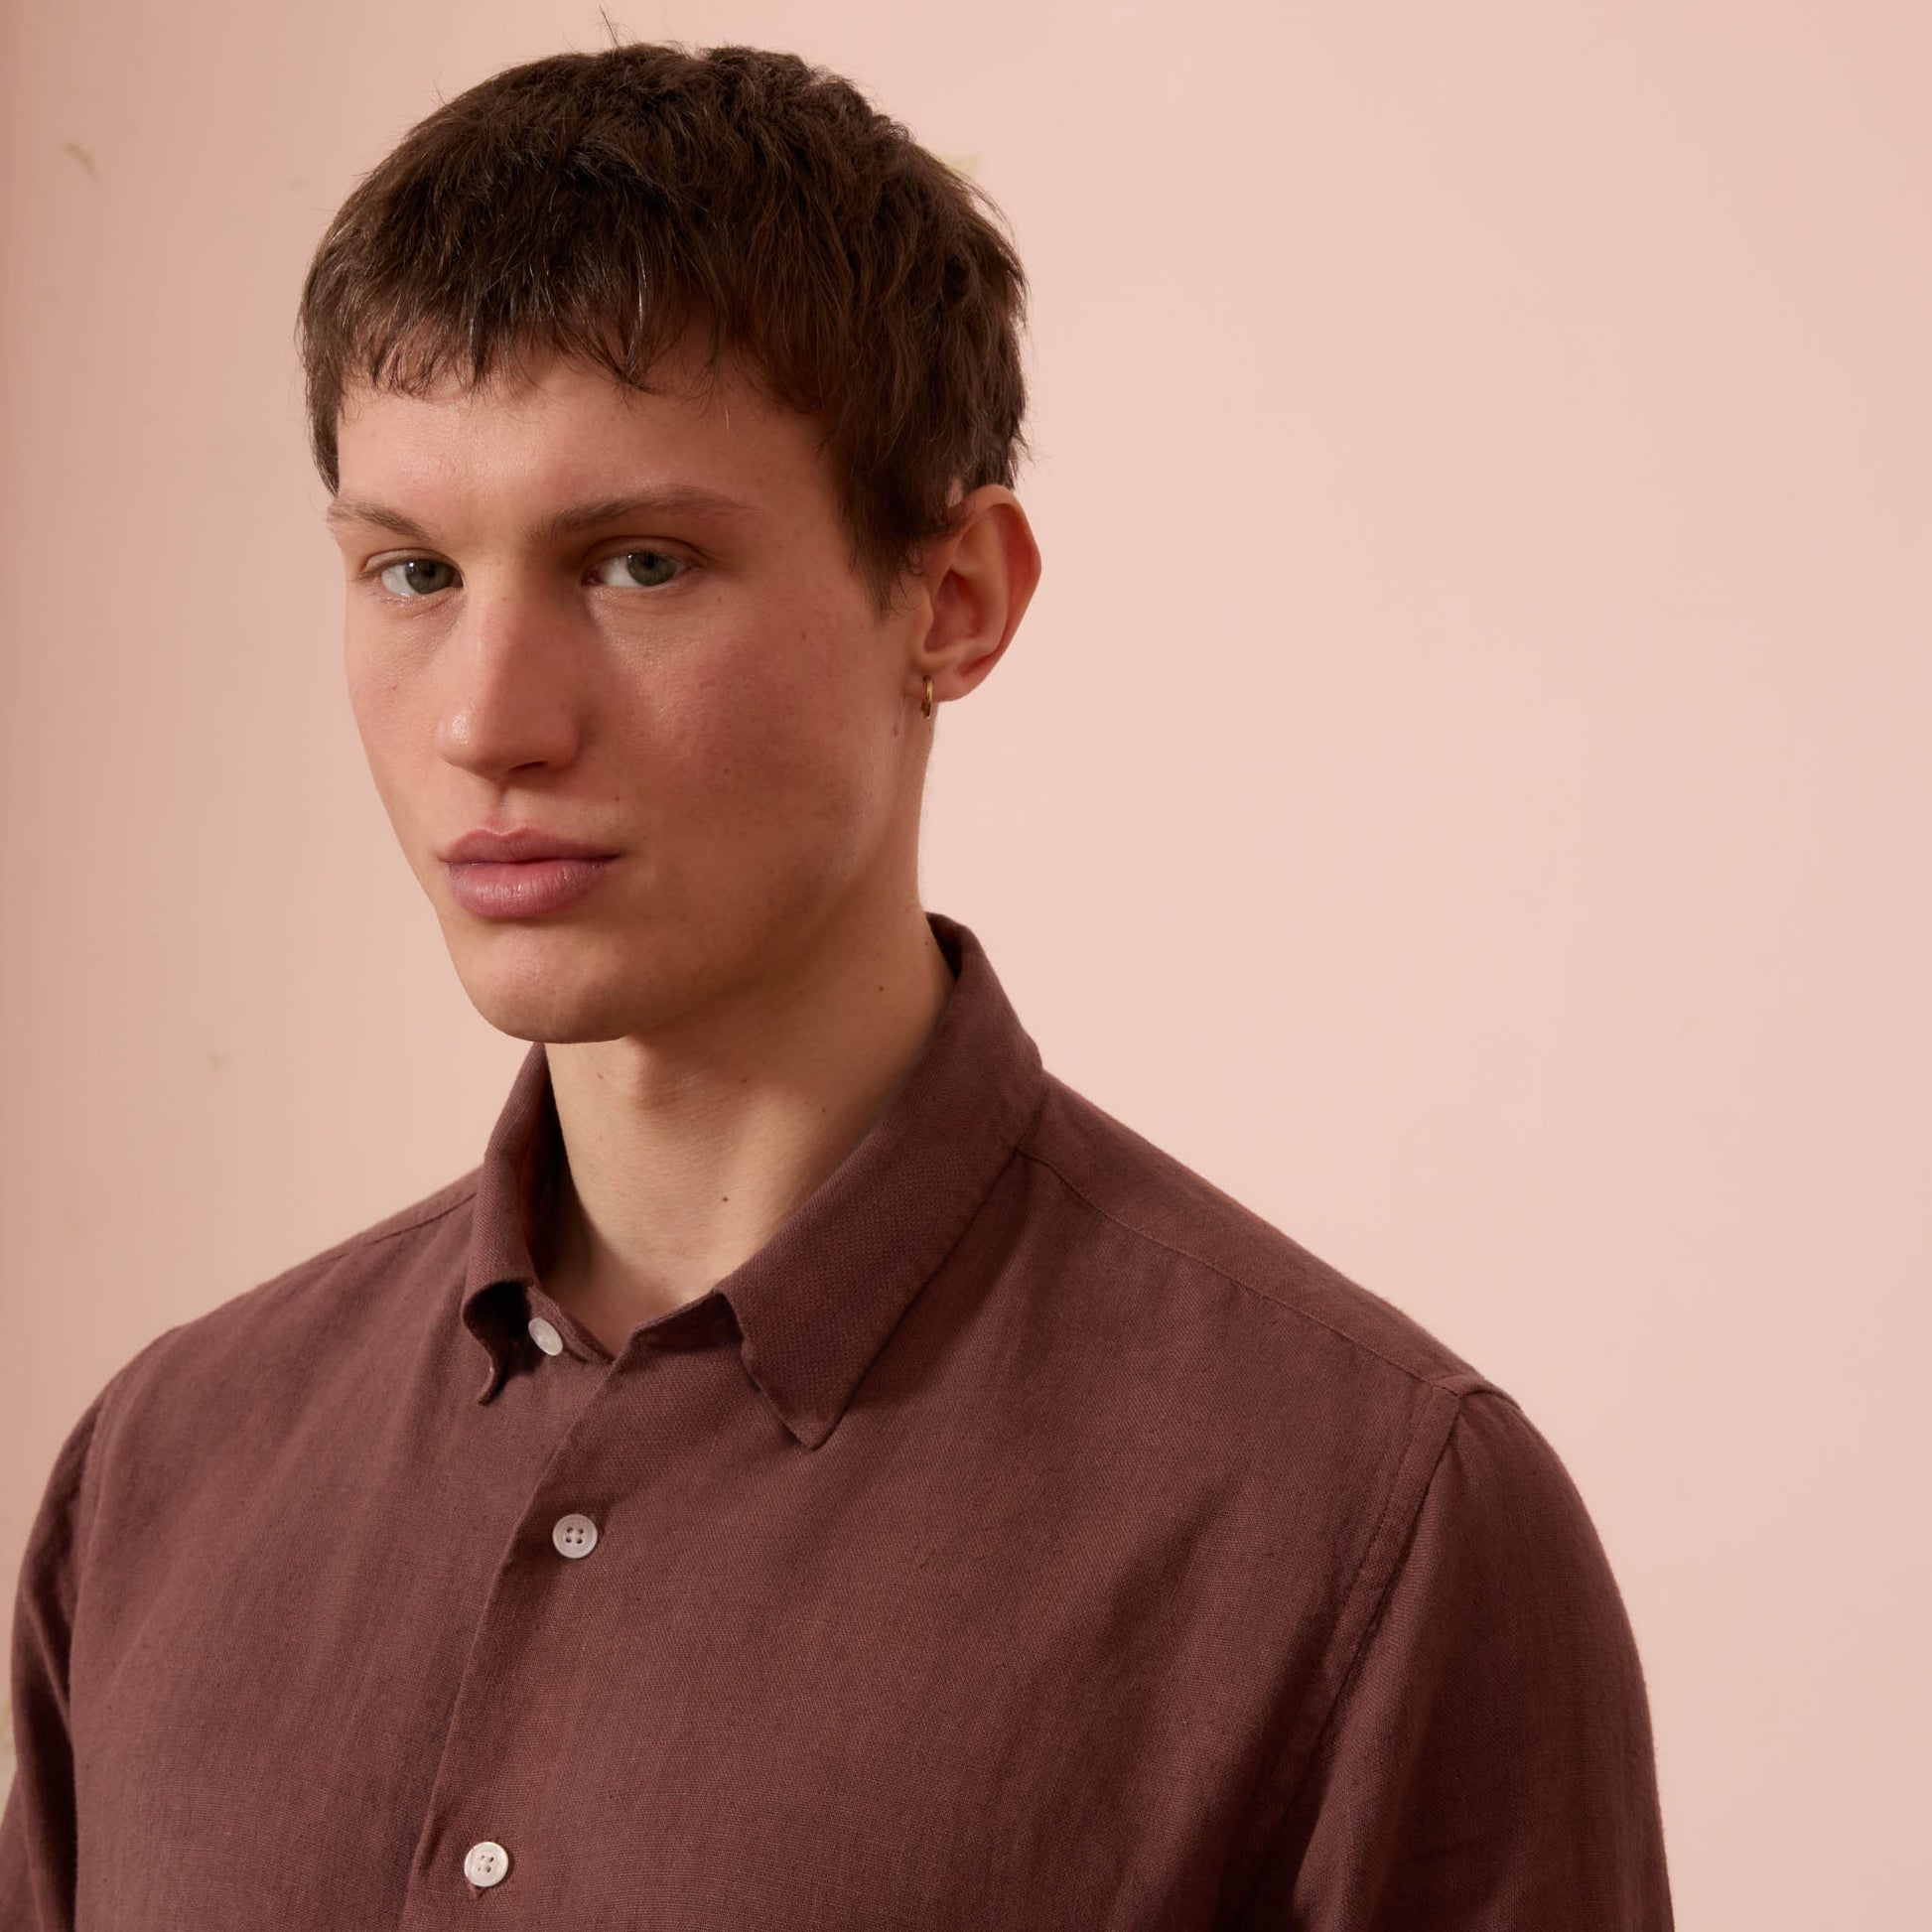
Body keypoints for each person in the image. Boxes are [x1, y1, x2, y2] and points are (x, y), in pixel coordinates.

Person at [0, 39, 1674, 1929]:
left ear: (951, 600)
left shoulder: (1367, 1521)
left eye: (637, 563)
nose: (485, 719)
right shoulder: (163, 1471)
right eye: (411, 572)